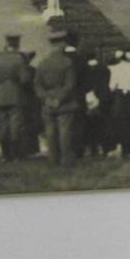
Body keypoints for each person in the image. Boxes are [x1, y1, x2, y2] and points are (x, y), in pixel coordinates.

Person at [35, 30, 79, 166]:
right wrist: (59, 99)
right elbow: (70, 85)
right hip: (64, 103)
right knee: (65, 132)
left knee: (50, 131)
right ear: (62, 44)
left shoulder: (42, 63)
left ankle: (53, 160)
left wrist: (47, 99)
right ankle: (66, 160)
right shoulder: (67, 63)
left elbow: (37, 84)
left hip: (48, 102)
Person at [0, 34, 32, 160]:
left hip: (1, 95)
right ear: (17, 44)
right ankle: (16, 154)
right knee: (16, 125)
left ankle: (5, 154)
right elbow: (25, 79)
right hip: (16, 94)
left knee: (3, 124)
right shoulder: (19, 59)